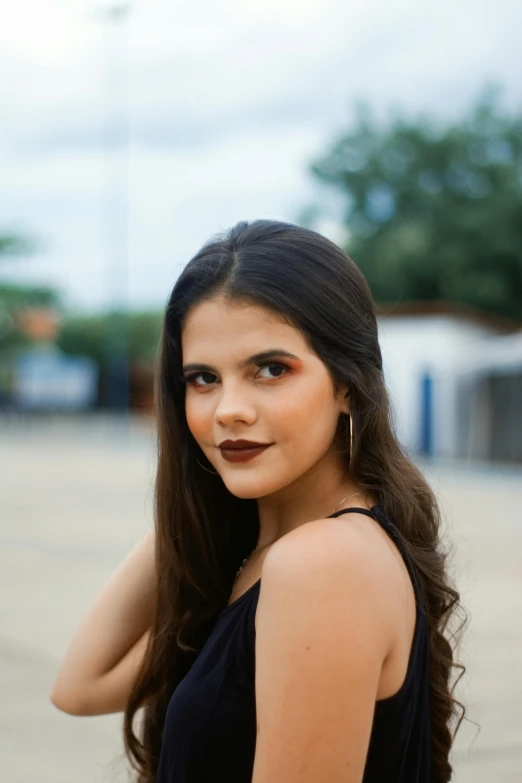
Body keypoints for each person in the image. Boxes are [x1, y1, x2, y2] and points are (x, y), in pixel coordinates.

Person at [50, 219, 466, 782]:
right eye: (202, 378)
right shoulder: (259, 555)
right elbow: (81, 686)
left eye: (271, 370)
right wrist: (197, 511)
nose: (228, 410)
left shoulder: (323, 565)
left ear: (347, 384)